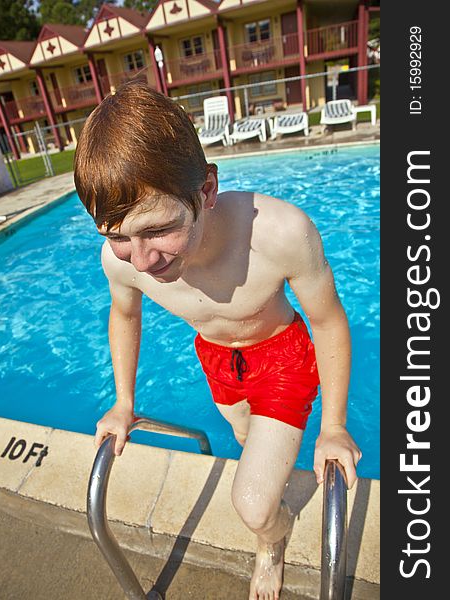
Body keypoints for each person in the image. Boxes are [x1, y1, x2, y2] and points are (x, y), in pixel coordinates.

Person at [74, 82, 361, 600]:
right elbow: (124, 313)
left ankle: (271, 543)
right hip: (216, 359)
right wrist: (123, 403)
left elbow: (328, 321)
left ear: (206, 192)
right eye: (117, 235)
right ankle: (274, 491)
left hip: (282, 357)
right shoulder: (120, 259)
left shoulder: (280, 234)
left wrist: (334, 427)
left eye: (160, 230)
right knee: (252, 447)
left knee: (251, 502)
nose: (140, 260)